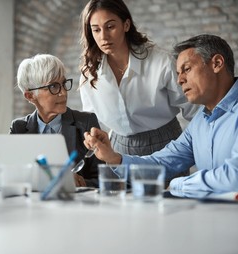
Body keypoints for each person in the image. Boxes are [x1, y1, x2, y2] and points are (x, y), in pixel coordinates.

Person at [83, 34, 238, 194]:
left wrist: (178, 184)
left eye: (186, 69)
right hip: (218, 223)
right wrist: (114, 158)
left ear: (216, 63)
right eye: (178, 73)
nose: (179, 80)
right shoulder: (199, 123)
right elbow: (160, 163)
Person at [79, 0, 199, 157]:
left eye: (110, 27)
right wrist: (91, 136)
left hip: (166, 144)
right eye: (96, 30)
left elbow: (194, 110)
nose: (104, 36)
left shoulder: (161, 62)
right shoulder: (89, 74)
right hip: (118, 148)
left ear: (126, 25)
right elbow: (91, 120)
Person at [10, 54, 103, 187]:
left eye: (64, 84)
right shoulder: (18, 128)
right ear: (30, 96)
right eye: (53, 86)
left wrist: (80, 182)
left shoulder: (86, 122)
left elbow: (103, 178)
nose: (63, 93)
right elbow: (12, 177)